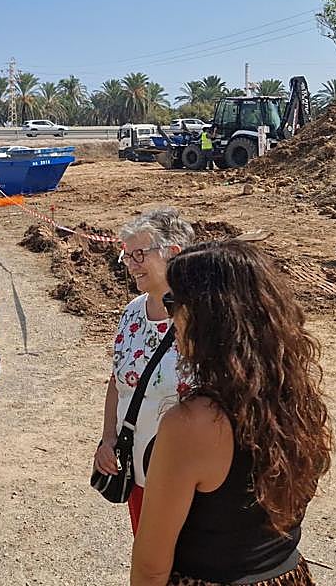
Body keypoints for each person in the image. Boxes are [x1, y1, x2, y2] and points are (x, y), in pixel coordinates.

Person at [131, 241, 333, 586]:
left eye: (173, 302)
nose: (169, 316)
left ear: (207, 317)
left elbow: (151, 567)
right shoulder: (296, 400)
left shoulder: (191, 424)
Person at [93, 208, 196, 534]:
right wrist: (108, 438)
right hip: (137, 471)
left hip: (187, 478)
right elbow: (118, 382)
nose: (130, 264)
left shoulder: (200, 319)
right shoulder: (132, 312)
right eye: (127, 255)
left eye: (139, 254)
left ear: (173, 254)